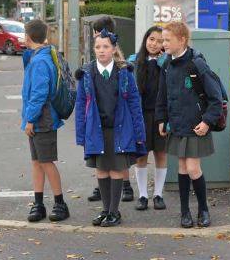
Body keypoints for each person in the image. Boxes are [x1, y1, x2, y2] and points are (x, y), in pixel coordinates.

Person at [75, 29, 146, 227]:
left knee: (116, 169)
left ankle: (115, 212)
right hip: (96, 130)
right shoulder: (87, 73)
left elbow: (134, 104)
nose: (101, 50)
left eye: (106, 47)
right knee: (101, 170)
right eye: (98, 47)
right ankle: (105, 210)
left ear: (114, 49)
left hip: (120, 129)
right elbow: (81, 104)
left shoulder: (124, 73)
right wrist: (81, 133)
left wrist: (140, 133)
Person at [155, 22, 223, 228]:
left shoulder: (197, 64)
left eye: (167, 40)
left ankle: (203, 209)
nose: (163, 43)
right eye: (162, 40)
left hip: (196, 126)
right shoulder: (166, 64)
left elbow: (216, 98)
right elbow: (162, 95)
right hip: (176, 125)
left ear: (182, 40)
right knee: (183, 167)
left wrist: (207, 121)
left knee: (193, 168)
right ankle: (185, 212)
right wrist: (161, 119)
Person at [21, 19, 70, 223]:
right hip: (37, 116)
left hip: (43, 118)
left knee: (46, 161)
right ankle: (38, 203)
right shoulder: (41, 55)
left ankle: (60, 203)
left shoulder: (41, 61)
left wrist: (30, 119)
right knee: (37, 161)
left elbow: (39, 93)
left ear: (28, 37)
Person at [87, 16, 136, 203]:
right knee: (109, 157)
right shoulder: (104, 55)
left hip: (116, 120)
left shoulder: (118, 62)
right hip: (105, 122)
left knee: (117, 156)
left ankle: (125, 185)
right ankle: (115, 188)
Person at [133, 26, 168, 211]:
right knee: (141, 156)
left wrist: (163, 60)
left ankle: (158, 194)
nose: (155, 44)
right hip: (141, 115)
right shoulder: (136, 62)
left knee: (161, 154)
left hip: (161, 115)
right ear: (145, 39)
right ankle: (143, 195)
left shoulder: (167, 63)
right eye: (152, 39)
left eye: (160, 40)